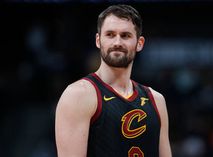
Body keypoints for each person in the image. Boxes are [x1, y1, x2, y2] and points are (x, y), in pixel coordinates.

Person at [55, 4, 172, 157]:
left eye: (125, 35)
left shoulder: (156, 100)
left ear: (139, 43)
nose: (117, 42)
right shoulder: (78, 95)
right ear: (98, 40)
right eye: (110, 34)